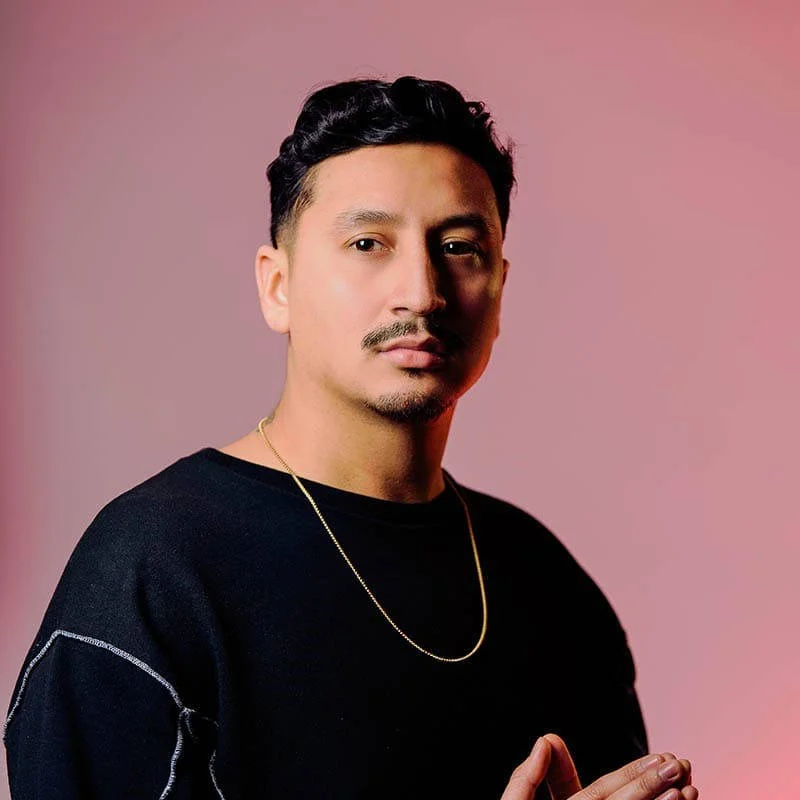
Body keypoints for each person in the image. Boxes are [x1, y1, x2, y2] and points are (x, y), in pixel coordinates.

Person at [3, 75, 697, 800]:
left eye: (459, 246)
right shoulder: (152, 572)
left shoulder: (550, 585)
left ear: (499, 287)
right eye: (368, 243)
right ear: (277, 287)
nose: (421, 292)